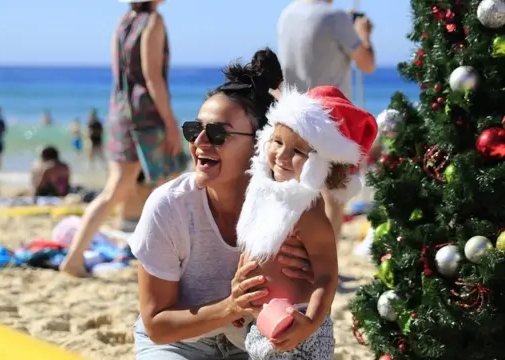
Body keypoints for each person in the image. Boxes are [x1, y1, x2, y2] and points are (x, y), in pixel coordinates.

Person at [128, 48, 315, 359]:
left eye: (216, 133)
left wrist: (307, 283)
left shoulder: (288, 207)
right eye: (194, 129)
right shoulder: (169, 207)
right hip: (180, 343)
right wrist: (232, 306)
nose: (200, 141)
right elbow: (157, 325)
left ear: (261, 144)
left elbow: (318, 290)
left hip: (255, 344)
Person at [237, 85, 377, 359]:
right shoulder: (263, 196)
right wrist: (240, 299)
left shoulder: (309, 213)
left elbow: (327, 274)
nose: (282, 156)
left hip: (299, 325)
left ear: (320, 164)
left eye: (298, 151)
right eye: (277, 142)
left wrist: (311, 322)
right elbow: (251, 251)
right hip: (264, 323)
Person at [60, 0, 187, 277]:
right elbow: (152, 77)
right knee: (173, 182)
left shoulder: (124, 21)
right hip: (145, 116)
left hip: (119, 111)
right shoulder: (153, 21)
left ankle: (75, 256)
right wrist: (170, 121)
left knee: (115, 190)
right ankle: (176, 261)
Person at [277, 0, 376, 240]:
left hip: (294, 114)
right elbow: (367, 64)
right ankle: (328, 269)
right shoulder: (335, 18)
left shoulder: (287, 14)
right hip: (331, 118)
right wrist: (363, 34)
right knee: (333, 196)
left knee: (295, 193)